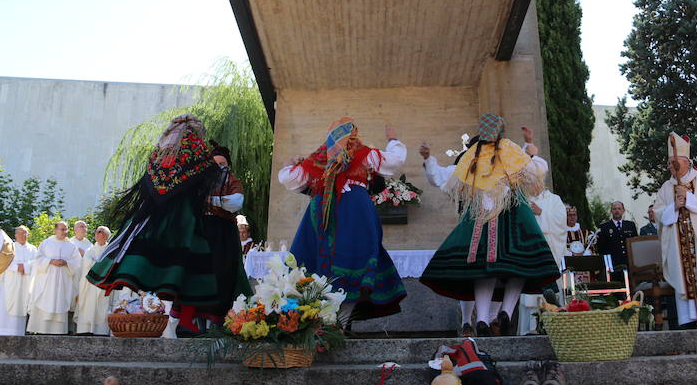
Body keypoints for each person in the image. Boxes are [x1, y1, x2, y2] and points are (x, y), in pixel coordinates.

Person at [88, 114, 242, 334]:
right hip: (184, 215)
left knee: (145, 249)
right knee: (189, 262)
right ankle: (189, 318)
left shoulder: (158, 153)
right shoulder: (196, 150)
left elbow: (150, 184)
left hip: (152, 213)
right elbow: (205, 180)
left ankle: (184, 317)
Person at [419, 114, 560, 337]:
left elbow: (448, 182)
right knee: (521, 263)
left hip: (480, 216)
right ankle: (504, 311)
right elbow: (534, 171)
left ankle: (483, 318)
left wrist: (429, 159)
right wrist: (528, 153)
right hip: (513, 212)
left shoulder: (471, 156)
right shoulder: (508, 148)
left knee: (482, 269)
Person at [279, 118, 407, 322]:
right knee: (354, 258)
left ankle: (326, 321)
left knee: (321, 260)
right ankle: (339, 322)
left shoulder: (318, 159)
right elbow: (395, 162)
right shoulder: (364, 154)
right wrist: (393, 140)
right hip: (356, 211)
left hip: (322, 211)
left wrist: (287, 165)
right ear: (353, 136)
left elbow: (289, 179)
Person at [421, 134, 497, 336]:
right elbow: (438, 176)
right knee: (469, 276)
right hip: (470, 229)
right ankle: (467, 323)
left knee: (498, 274)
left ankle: (491, 320)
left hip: (496, 230)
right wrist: (428, 159)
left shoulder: (497, 169)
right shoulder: (461, 170)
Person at [654, 132, 697, 328]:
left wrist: (689, 198)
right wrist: (674, 207)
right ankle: (688, 323)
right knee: (683, 281)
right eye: (669, 163)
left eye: (673, 162)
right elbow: (658, 212)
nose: (670, 166)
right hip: (678, 245)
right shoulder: (666, 187)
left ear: (686, 162)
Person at [193, 141, 252, 330]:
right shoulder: (200, 181)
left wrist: (212, 200)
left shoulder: (232, 180)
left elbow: (235, 202)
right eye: (215, 164)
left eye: (222, 164)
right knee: (201, 271)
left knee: (223, 272)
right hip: (203, 230)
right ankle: (197, 320)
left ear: (227, 166)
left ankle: (218, 321)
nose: (218, 168)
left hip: (223, 232)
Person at [518, 187, 567, 334]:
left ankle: (555, 330)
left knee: (550, 291)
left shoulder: (554, 199)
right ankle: (530, 329)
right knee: (530, 295)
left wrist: (542, 213)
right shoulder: (522, 200)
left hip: (549, 252)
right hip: (529, 252)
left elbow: (561, 222)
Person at [28, 221, 82, 334]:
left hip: (63, 281)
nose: (65, 232)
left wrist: (66, 263)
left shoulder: (71, 246)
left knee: (60, 301)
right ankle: (42, 330)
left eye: (66, 229)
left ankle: (58, 331)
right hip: (47, 281)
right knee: (45, 300)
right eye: (62, 229)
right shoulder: (46, 243)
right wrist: (50, 261)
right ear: (55, 230)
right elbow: (37, 259)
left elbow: (77, 262)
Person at [0, 225, 37, 336]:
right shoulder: (9, 247)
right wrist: (16, 267)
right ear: (15, 235)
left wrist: (25, 267)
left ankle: (17, 332)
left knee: (21, 304)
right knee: (4, 305)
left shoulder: (33, 249)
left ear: (28, 235)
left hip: (25, 282)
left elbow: (37, 263)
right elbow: (3, 262)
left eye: (24, 233)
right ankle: (0, 331)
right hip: (9, 282)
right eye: (19, 233)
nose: (22, 235)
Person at [75, 226, 112, 335]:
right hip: (90, 284)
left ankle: (101, 330)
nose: (97, 234)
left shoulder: (110, 250)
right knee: (88, 305)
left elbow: (110, 264)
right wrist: (99, 264)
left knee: (102, 306)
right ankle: (85, 329)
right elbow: (86, 264)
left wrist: (98, 264)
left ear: (106, 236)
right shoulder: (90, 250)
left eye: (100, 232)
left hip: (104, 283)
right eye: (96, 232)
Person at [596, 201, 638, 277]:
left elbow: (635, 245)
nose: (617, 211)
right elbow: (601, 249)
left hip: (628, 262)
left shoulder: (630, 225)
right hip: (613, 264)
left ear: (623, 210)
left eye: (619, 209)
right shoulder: (604, 227)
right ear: (611, 211)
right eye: (614, 209)